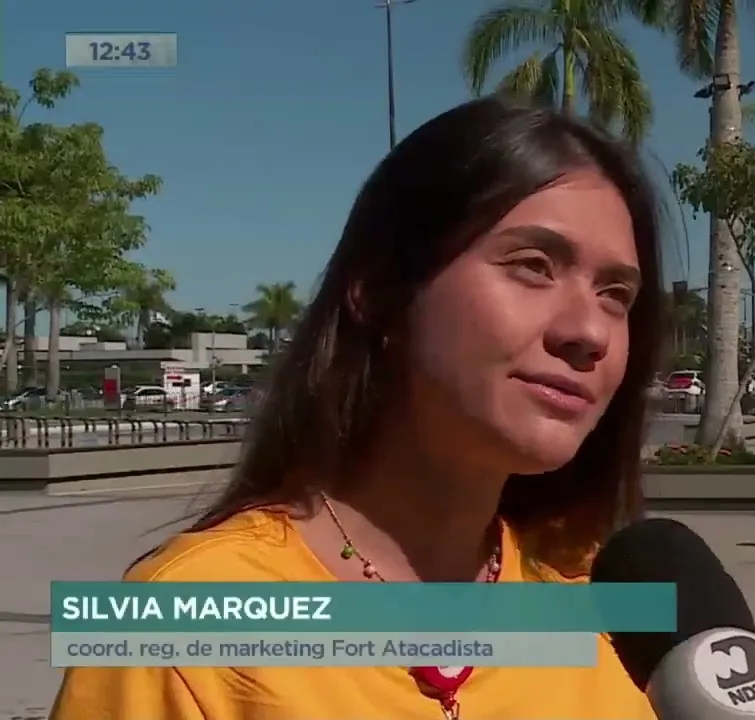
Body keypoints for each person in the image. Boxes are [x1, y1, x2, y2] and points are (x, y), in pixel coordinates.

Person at [51, 97, 663, 720]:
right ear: (379, 292)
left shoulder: (611, 617)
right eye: (532, 266)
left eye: (616, 294)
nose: (591, 331)